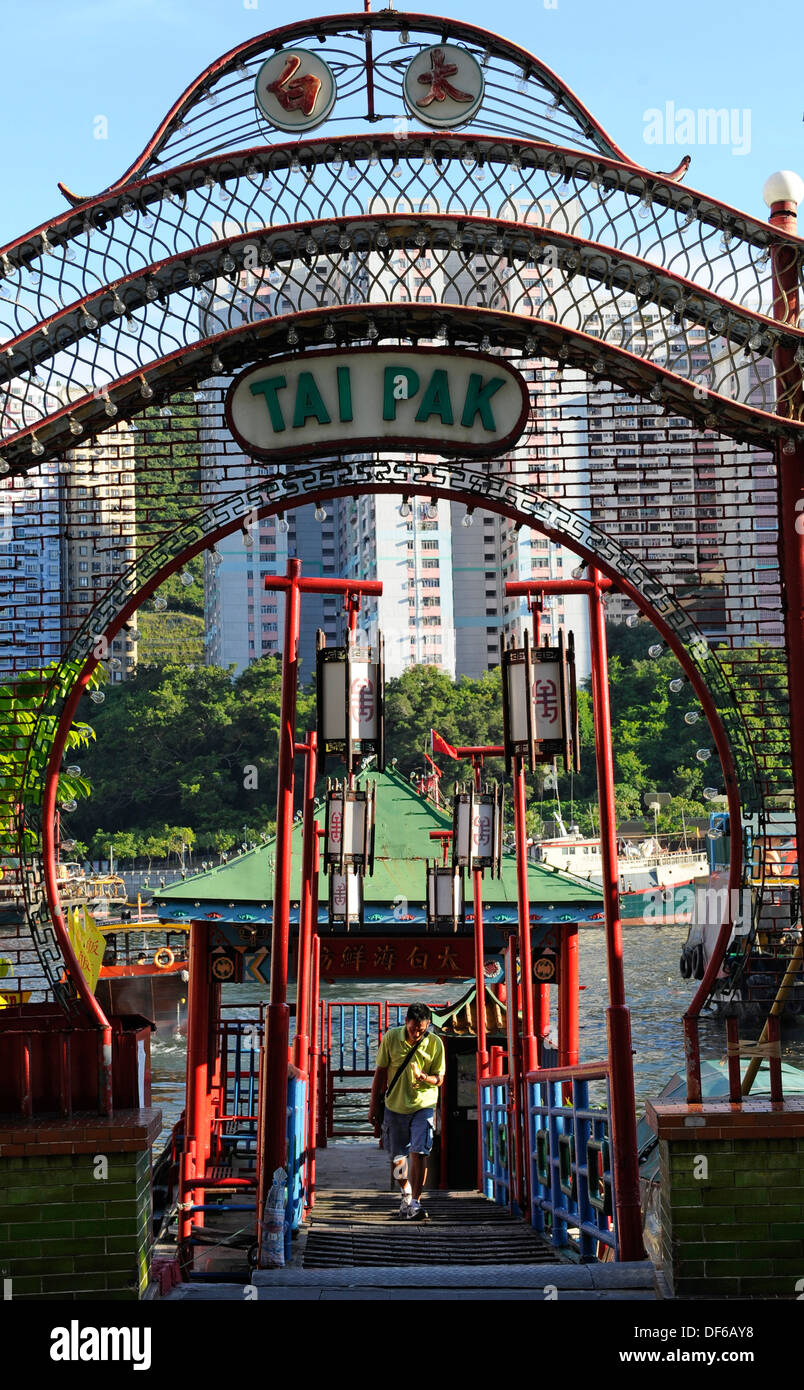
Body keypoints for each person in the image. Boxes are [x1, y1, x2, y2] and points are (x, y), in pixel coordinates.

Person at [369, 1002, 445, 1221]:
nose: (417, 1034)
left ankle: (416, 1202)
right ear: (406, 1023)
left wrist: (425, 1078)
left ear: (428, 1024)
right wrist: (373, 1104)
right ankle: (406, 1193)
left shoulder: (435, 1043)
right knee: (397, 1157)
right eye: (413, 1029)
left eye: (421, 1029)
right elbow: (380, 1073)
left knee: (420, 1152)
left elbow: (439, 1079)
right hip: (395, 1106)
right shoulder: (392, 1038)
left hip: (424, 1104)